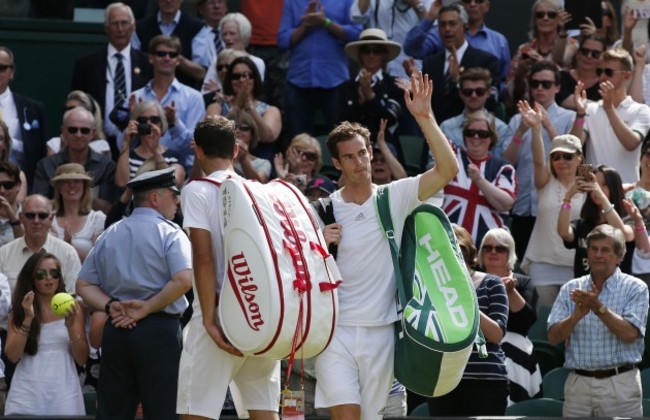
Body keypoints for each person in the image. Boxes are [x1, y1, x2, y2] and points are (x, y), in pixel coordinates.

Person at [314, 71, 457, 419]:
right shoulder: (320, 209)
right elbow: (300, 269)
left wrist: (424, 117)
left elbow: (448, 169)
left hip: (382, 333)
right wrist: (317, 244)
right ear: (336, 163)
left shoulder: (394, 195)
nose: (360, 161)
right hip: (335, 333)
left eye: (363, 152)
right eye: (350, 157)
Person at [177, 115, 281, 419]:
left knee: (195, 413)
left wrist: (209, 320)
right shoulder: (260, 190)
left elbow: (203, 257)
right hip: (260, 317)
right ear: (236, 151)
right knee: (264, 412)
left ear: (197, 151)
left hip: (219, 317)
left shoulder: (195, 190)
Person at [76, 167, 192, 420]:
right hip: (159, 330)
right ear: (154, 198)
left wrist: (111, 306)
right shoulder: (170, 232)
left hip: (117, 328)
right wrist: (147, 308)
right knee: (163, 412)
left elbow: (83, 285)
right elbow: (184, 279)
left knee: (112, 412)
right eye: (173, 196)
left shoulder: (110, 233)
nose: (177, 203)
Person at [547, 224, 649, 417]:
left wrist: (598, 307)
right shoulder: (571, 288)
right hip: (578, 385)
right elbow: (553, 338)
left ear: (619, 257)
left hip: (620, 384)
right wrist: (576, 316)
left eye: (605, 250)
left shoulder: (635, 288)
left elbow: (629, 334)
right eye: (593, 249)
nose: (598, 255)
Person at [427, 224, 509, 415]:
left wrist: (463, 297)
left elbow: (497, 334)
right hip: (444, 379)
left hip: (486, 382)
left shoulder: (492, 283)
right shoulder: (430, 284)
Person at [503, 61, 576, 261]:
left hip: (556, 202)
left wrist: (547, 124)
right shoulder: (518, 120)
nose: (540, 89)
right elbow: (507, 162)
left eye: (546, 84)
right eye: (535, 84)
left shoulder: (569, 117)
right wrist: (520, 131)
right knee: (519, 264)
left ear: (558, 87)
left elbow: (572, 154)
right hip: (524, 204)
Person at [518, 101, 586, 308]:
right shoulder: (545, 183)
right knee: (543, 326)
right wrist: (537, 128)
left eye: (567, 156)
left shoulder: (590, 188)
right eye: (556, 156)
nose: (561, 160)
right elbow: (538, 162)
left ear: (579, 158)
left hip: (576, 265)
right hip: (543, 262)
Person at [4, 251, 88, 416]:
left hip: (64, 390)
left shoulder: (73, 308)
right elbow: (13, 356)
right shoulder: (20, 311)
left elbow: (81, 358)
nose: (49, 278)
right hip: (27, 391)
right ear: (31, 279)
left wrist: (70, 327)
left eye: (54, 273)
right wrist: (28, 319)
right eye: (41, 274)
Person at [70, 2, 152, 157]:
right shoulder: (86, 64)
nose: (120, 29)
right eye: (115, 24)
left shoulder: (147, 63)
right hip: (96, 143)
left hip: (137, 143)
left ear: (133, 27)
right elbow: (77, 103)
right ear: (106, 28)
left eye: (124, 23)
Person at [277, 0, 363, 138]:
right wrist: (305, 25)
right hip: (299, 79)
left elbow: (357, 34)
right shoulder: (292, 2)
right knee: (297, 140)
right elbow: (282, 40)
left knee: (341, 138)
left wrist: (326, 23)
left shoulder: (347, 1)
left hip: (335, 81)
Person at [479, 228, 541, 404]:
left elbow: (526, 322)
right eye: (488, 248)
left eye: (500, 248)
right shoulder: (472, 280)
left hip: (515, 346)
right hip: (479, 344)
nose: (493, 252)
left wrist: (511, 291)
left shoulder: (523, 282)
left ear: (510, 254)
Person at [570, 47, 650, 184]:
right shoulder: (589, 108)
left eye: (608, 72)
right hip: (595, 194)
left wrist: (609, 109)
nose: (602, 77)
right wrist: (581, 114)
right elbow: (573, 148)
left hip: (627, 194)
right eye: (599, 71)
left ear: (627, 76)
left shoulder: (641, 110)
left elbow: (631, 143)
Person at [129, 35, 206, 171]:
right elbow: (121, 145)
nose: (167, 58)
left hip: (182, 170)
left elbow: (196, 148)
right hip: (138, 169)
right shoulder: (136, 96)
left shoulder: (194, 97)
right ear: (151, 58)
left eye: (172, 54)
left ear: (178, 60)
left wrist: (174, 124)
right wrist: (133, 119)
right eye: (161, 54)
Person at [442, 112, 516, 246]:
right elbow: (434, 135)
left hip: (488, 251)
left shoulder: (502, 167)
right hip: (447, 245)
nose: (476, 137)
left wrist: (479, 181)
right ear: (464, 136)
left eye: (482, 134)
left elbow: (506, 203)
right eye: (470, 133)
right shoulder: (453, 157)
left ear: (491, 138)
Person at [404, 0, 510, 91]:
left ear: (487, 6)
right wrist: (429, 18)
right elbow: (411, 49)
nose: (472, 4)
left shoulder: (498, 42)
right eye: (467, 0)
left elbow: (502, 82)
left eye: (478, 0)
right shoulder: (443, 33)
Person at [420, 3, 500, 124]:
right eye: (443, 24)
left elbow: (492, 103)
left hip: (471, 134)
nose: (447, 29)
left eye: (452, 24)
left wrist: (458, 81)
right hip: (435, 136)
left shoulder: (486, 61)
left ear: (465, 26)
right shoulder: (430, 63)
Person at [32, 107, 117, 215]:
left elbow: (109, 209)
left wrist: (68, 195)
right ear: (63, 131)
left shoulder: (107, 166)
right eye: (73, 130)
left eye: (84, 130)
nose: (78, 135)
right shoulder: (45, 164)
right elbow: (38, 206)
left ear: (93, 133)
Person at [559, 165, 634, 278]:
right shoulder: (582, 224)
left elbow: (622, 234)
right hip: (585, 289)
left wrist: (602, 196)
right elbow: (564, 233)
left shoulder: (628, 220)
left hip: (618, 291)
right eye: (594, 183)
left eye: (604, 184)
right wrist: (568, 196)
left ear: (614, 187)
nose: (596, 188)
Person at [339, 28, 405, 151]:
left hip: (386, 148)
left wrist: (370, 96)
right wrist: (359, 103)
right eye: (366, 51)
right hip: (352, 147)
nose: (371, 55)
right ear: (360, 55)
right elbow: (341, 123)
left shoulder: (395, 85)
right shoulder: (346, 87)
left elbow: (390, 119)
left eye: (377, 51)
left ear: (384, 55)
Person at [0, 194, 81, 294]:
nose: (36, 221)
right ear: (21, 218)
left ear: (51, 219)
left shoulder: (68, 253)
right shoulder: (4, 254)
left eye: (42, 216)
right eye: (30, 215)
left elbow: (74, 296)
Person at [505, 0, 575, 115]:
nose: (545, 18)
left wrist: (542, 64)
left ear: (559, 19)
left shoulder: (571, 45)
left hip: (561, 112)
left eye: (551, 15)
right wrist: (519, 75)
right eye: (540, 15)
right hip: (528, 112)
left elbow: (567, 74)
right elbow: (509, 95)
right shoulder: (524, 49)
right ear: (534, 20)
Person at [208, 56, 281, 164]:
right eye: (236, 76)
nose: (241, 80)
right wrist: (237, 107)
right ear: (230, 80)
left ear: (255, 79)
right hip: (222, 161)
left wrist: (249, 106)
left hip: (258, 163)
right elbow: (211, 133)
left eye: (248, 76)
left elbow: (267, 136)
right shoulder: (216, 107)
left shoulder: (270, 110)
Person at [0, 46, 47, 191]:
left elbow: (39, 154)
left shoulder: (33, 109)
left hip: (21, 187)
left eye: (1, 67)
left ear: (11, 72)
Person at [133, 0, 208, 89]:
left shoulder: (197, 27)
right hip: (148, 93)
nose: (168, 1)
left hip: (185, 95)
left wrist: (175, 58)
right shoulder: (141, 27)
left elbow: (200, 72)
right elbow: (133, 63)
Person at [351, 0, 433, 80]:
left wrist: (415, 3)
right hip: (378, 69)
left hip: (410, 67)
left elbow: (433, 25)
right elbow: (357, 17)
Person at [115, 101, 186, 189]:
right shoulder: (128, 156)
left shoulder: (174, 156)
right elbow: (121, 183)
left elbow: (173, 184)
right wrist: (126, 143)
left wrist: (156, 152)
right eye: (142, 121)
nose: (149, 124)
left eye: (154, 120)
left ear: (162, 124)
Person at [49, 163, 107, 263]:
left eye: (77, 181)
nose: (72, 185)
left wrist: (69, 245)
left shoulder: (97, 219)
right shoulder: (47, 218)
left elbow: (100, 261)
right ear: (59, 188)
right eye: (66, 181)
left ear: (84, 187)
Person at [46, 91, 111, 157]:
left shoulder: (101, 146)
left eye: (77, 109)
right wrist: (64, 148)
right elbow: (52, 165)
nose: (78, 135)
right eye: (66, 109)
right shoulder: (55, 144)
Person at [556, 34, 606, 109]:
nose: (589, 56)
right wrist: (601, 108)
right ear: (577, 54)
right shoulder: (560, 77)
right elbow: (562, 99)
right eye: (585, 51)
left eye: (596, 54)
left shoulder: (606, 83)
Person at [227, 109, 270, 183]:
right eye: (233, 127)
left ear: (252, 134)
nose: (238, 131)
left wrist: (243, 160)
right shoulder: (218, 157)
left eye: (244, 128)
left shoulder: (262, 163)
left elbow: (260, 184)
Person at [0, 161, 23, 246]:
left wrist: (13, 219)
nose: (2, 190)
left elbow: (28, 248)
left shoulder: (31, 215)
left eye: (8, 185)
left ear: (18, 186)